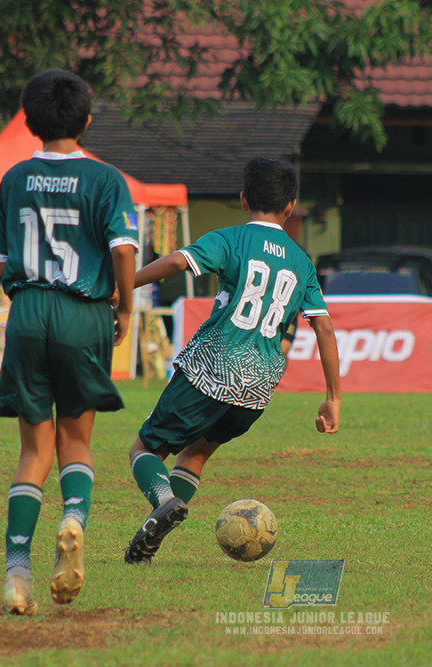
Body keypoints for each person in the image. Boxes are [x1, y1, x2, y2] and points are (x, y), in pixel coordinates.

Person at [124, 158, 342, 565]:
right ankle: (156, 531)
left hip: (214, 368)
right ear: (291, 206)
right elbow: (325, 329)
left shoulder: (230, 239)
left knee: (144, 450)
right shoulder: (301, 261)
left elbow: (176, 262)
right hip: (259, 386)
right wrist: (333, 398)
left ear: (243, 199)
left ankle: (165, 502)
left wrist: (122, 287)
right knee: (195, 454)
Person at [0, 70, 138, 615]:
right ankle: (74, 515)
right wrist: (125, 303)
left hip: (27, 312)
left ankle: (17, 572)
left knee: (33, 450)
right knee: (76, 440)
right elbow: (122, 249)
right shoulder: (106, 180)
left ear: (28, 120)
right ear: (88, 121)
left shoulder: (13, 178)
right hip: (83, 313)